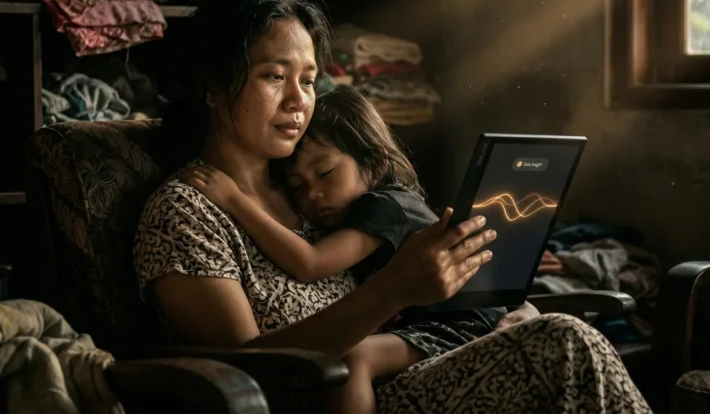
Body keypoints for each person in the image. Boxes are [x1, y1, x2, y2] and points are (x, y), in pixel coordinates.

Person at [133, 0, 651, 413]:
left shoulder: (314, 192)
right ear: (212, 86)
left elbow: (418, 284)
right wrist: (394, 290)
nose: (298, 101)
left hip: (416, 364)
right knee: (565, 345)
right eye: (274, 76)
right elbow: (241, 370)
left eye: (308, 81)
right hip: (348, 397)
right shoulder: (186, 211)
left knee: (558, 335)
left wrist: (508, 314)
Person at [182, 85, 506, 414]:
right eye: (298, 186)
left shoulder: (385, 205)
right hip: (453, 324)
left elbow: (310, 263)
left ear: (376, 161)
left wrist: (235, 200)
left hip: (459, 324)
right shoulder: (353, 213)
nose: (313, 194)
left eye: (325, 173)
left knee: (354, 360)